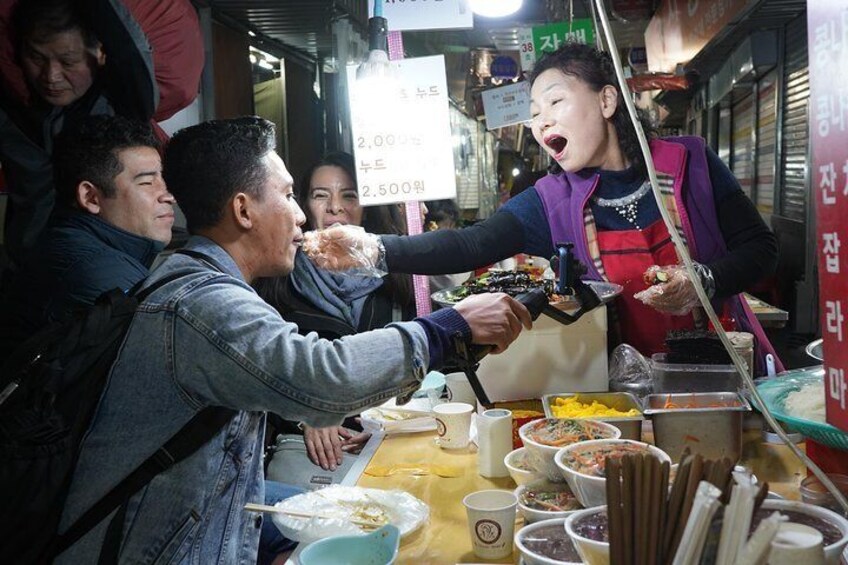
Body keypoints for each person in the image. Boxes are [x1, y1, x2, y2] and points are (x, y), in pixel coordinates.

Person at [53, 116, 531, 563]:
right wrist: (447, 328)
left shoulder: (204, 280)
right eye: (288, 195)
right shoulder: (200, 303)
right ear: (243, 209)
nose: (303, 216)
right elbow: (321, 375)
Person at [304, 42, 782, 376]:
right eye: (534, 112)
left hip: (724, 375)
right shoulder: (551, 200)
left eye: (555, 101)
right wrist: (374, 247)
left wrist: (705, 282)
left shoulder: (690, 161)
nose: (542, 120)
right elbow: (470, 244)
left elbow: (761, 248)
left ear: (607, 100)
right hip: (623, 388)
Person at [0, 0, 202, 272]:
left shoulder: (125, 102)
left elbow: (129, 51)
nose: (51, 76)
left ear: (101, 54)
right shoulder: (17, 111)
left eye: (68, 61)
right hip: (29, 270)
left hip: (108, 266)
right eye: (36, 58)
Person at [254, 152, 415, 472]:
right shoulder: (277, 280)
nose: (335, 207)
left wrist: (388, 424)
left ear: (366, 206)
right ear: (302, 206)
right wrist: (306, 416)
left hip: (391, 446)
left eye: (349, 195)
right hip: (310, 456)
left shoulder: (401, 278)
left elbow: (424, 368)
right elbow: (257, 375)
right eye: (320, 195)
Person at [0, 114, 173, 362]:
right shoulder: (100, 275)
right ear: (90, 197)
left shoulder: (77, 244)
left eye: (163, 179)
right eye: (147, 182)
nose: (167, 196)